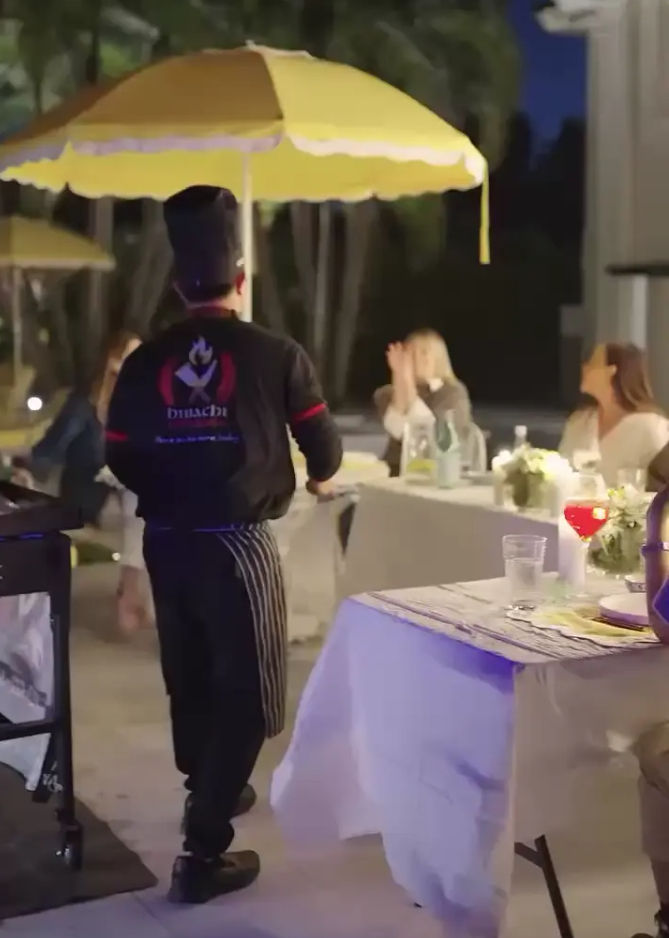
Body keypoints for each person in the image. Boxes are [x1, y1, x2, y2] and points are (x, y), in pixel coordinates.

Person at [105, 186, 342, 905]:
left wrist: (174, 482)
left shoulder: (146, 362)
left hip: (168, 538)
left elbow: (120, 454)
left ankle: (207, 788)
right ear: (240, 280)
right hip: (239, 542)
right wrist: (304, 470)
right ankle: (203, 850)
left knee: (191, 676)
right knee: (250, 693)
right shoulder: (277, 354)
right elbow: (325, 451)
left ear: (180, 286)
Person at [31, 331, 140, 526]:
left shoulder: (137, 401)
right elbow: (54, 444)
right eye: (128, 357)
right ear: (112, 360)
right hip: (83, 497)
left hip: (117, 505)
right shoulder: (84, 404)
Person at [559, 342, 669, 488]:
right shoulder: (579, 421)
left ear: (611, 371)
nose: (584, 368)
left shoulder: (652, 428)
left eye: (592, 363)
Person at [373, 329, 472, 477]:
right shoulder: (385, 393)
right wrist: (399, 376)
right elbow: (397, 429)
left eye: (424, 352)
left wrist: (407, 380)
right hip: (395, 470)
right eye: (411, 353)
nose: (416, 358)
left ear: (438, 359)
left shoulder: (453, 392)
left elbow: (430, 434)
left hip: (439, 471)